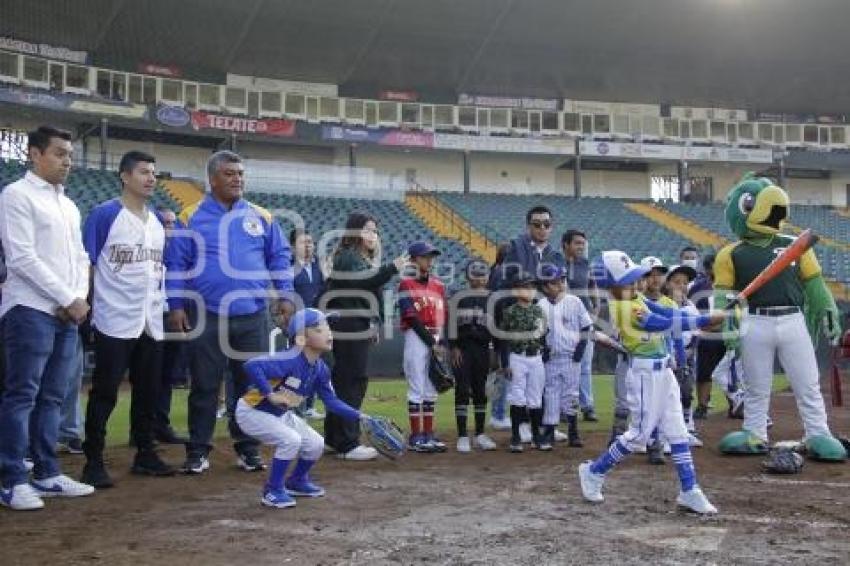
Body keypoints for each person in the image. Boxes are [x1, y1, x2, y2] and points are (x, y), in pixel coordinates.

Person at [165, 150, 295, 475]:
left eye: (240, 173)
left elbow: (279, 257)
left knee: (250, 385)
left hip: (252, 314)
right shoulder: (189, 216)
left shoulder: (261, 216)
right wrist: (176, 305)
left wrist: (285, 294)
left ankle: (248, 449)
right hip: (206, 314)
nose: (237, 179)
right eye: (229, 173)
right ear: (212, 179)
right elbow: (177, 265)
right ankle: (198, 450)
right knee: (205, 385)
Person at [578, 251, 722, 515]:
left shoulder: (636, 298)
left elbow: (666, 311)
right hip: (643, 375)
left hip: (663, 371)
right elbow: (663, 323)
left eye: (635, 279)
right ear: (611, 286)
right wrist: (703, 320)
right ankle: (593, 471)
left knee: (678, 431)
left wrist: (703, 318)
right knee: (639, 435)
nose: (635, 285)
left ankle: (689, 490)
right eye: (628, 282)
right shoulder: (623, 307)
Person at [0, 125, 95, 510]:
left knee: (54, 397)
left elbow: (81, 258)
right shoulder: (16, 195)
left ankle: (47, 472)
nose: (67, 161)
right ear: (34, 154)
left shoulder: (69, 205)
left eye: (69, 155)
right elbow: (22, 258)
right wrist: (67, 297)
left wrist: (78, 298)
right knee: (22, 395)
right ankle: (11, 479)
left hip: (64, 314)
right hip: (28, 310)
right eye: (58, 153)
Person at [80, 151, 176, 488]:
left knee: (148, 390)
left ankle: (145, 453)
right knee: (105, 391)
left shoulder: (155, 222)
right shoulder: (105, 214)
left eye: (153, 172)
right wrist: (85, 305)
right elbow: (88, 263)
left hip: (150, 318)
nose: (150, 178)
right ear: (124, 176)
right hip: (113, 317)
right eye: (142, 172)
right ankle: (93, 459)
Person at [236, 309, 374, 508]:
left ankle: (297, 481)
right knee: (291, 440)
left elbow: (332, 402)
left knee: (316, 443)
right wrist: (270, 393)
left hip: (279, 414)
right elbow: (251, 365)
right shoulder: (289, 360)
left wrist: (359, 415)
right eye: (319, 329)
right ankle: (272, 490)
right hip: (252, 411)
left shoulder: (320, 369)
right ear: (301, 339)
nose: (328, 333)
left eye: (328, 328)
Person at [323, 212, 408, 461]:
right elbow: (365, 282)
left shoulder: (357, 257)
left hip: (354, 323)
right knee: (352, 382)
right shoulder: (349, 257)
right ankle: (347, 443)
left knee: (346, 382)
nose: (373, 235)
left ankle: (335, 438)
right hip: (348, 324)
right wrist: (392, 267)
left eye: (375, 231)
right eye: (367, 230)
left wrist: (374, 321)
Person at [398, 241, 447, 453]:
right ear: (413, 260)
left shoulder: (438, 285)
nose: (430, 260)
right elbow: (411, 318)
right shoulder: (405, 284)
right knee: (417, 386)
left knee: (431, 387)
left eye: (431, 256)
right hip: (417, 337)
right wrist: (431, 342)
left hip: (435, 336)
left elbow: (442, 316)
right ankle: (416, 436)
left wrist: (441, 341)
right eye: (425, 256)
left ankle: (428, 434)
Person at [538, 265, 593, 448]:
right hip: (551, 357)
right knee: (551, 393)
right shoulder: (540, 305)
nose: (561, 285)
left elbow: (586, 327)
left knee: (571, 394)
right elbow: (538, 333)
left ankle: (573, 430)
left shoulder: (574, 301)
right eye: (555, 282)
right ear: (545, 286)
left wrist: (580, 350)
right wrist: (543, 350)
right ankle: (549, 430)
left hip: (571, 356)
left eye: (562, 280)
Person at [449, 259, 498, 453]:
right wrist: (453, 347)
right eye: (475, 275)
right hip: (463, 349)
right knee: (462, 389)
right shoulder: (458, 297)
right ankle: (462, 435)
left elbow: (497, 329)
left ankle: (480, 434)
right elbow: (450, 324)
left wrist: (496, 352)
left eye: (483, 275)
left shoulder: (494, 298)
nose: (479, 279)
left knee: (480, 391)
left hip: (483, 348)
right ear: (468, 277)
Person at [152, 207, 189, 444]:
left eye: (173, 223)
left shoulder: (180, 252)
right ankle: (143, 429)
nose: (170, 227)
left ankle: (161, 425)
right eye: (165, 222)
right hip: (150, 316)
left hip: (172, 316)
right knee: (147, 375)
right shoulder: (149, 249)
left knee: (167, 376)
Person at [499, 273, 547, 453]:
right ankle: (516, 436)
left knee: (535, 398)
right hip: (517, 357)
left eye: (532, 287)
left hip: (536, 357)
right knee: (517, 396)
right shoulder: (510, 311)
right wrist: (505, 363)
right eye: (526, 287)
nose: (530, 290)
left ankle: (536, 436)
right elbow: (503, 339)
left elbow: (543, 336)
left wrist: (544, 355)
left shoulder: (538, 310)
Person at [562, 229, 599, 423]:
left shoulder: (585, 264)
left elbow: (592, 285)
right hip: (565, 321)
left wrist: (596, 306)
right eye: (577, 243)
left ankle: (587, 406)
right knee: (563, 365)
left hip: (585, 321)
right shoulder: (557, 263)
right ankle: (564, 406)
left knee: (585, 365)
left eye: (583, 243)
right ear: (566, 245)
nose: (581, 246)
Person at [664, 264, 702, 447]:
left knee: (686, 393)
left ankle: (688, 428)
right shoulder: (661, 304)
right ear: (668, 283)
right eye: (677, 282)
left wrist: (688, 353)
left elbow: (696, 333)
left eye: (685, 282)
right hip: (666, 357)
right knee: (668, 395)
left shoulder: (691, 306)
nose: (681, 286)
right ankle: (665, 432)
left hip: (686, 355)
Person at [290, 228, 326, 421]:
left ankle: (310, 405)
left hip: (317, 325)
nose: (308, 246)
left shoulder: (319, 267)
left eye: (310, 242)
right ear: (292, 247)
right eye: (303, 242)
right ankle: (295, 406)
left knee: (315, 366)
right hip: (298, 324)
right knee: (297, 367)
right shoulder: (288, 269)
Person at [486, 242, 512, 431]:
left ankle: (498, 412)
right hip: (502, 327)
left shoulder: (495, 269)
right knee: (504, 370)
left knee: (501, 371)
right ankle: (498, 414)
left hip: (496, 326)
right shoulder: (501, 271)